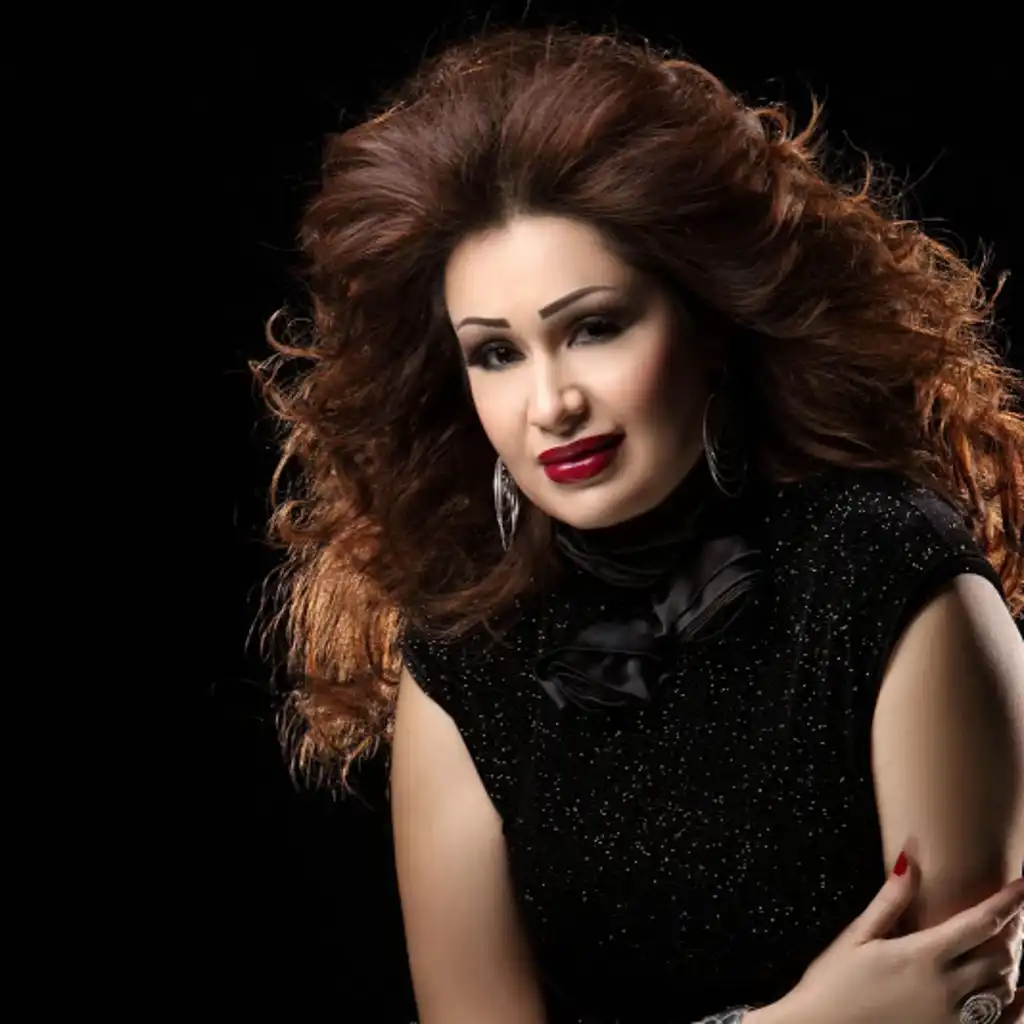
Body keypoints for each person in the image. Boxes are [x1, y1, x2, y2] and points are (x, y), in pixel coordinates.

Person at [252, 25, 1024, 1024]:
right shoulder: (464, 651)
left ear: (707, 326)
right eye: (496, 353)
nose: (551, 404)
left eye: (594, 327)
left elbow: (967, 1005)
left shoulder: (889, 577)